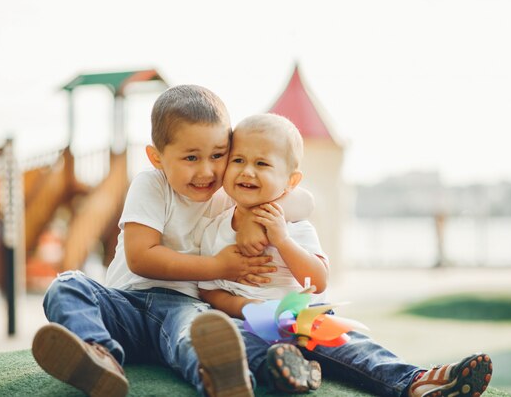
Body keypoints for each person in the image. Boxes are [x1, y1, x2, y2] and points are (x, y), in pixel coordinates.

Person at [31, 85, 315, 397]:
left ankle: (223, 378)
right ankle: (99, 356)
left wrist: (251, 217)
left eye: (218, 155)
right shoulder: (151, 185)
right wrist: (217, 266)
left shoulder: (228, 193)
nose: (206, 171)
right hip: (126, 307)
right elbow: (142, 258)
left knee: (201, 334)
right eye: (191, 157)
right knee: (67, 285)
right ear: (157, 157)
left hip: (183, 309)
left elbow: (304, 201)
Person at [190, 113, 493, 397]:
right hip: (245, 322)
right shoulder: (215, 228)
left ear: (290, 181)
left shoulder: (296, 226)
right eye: (238, 160)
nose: (247, 171)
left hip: (301, 319)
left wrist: (282, 241)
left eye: (262, 164)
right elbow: (207, 289)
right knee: (242, 348)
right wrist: (245, 306)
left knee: (355, 349)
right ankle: (290, 371)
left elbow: (318, 280)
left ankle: (415, 381)